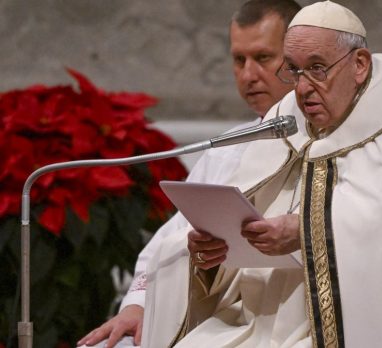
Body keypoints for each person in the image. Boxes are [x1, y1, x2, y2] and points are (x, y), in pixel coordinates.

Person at [142, 1, 382, 347]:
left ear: (359, 65)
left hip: (360, 323)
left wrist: (306, 230)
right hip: (259, 320)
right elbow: (246, 213)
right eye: (293, 70)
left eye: (318, 68)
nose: (303, 87)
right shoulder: (286, 118)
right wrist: (213, 252)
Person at [77, 1, 301, 347]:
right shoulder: (227, 148)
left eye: (263, 58)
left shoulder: (330, 143)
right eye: (239, 60)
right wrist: (139, 304)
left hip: (290, 313)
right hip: (219, 312)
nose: (248, 75)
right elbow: (175, 237)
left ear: (296, 60)